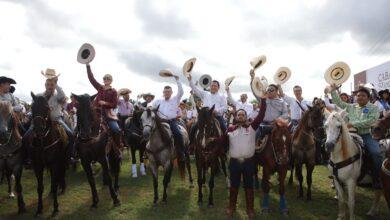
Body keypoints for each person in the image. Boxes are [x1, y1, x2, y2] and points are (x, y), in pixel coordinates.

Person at [212, 95, 267, 219]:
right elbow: (222, 140)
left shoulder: (252, 127)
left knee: (249, 187)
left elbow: (262, 114)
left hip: (249, 163)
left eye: (243, 115)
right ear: (235, 118)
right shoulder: (230, 129)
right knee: (234, 186)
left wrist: (263, 99)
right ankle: (231, 207)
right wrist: (213, 140)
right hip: (234, 163)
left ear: (246, 117)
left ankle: (250, 209)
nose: (240, 116)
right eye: (238, 115)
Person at [329, 85, 383, 188]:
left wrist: (353, 124)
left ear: (368, 97)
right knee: (335, 148)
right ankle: (335, 175)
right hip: (350, 134)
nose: (360, 97)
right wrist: (333, 90)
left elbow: (371, 121)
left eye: (363, 95)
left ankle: (377, 178)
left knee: (376, 152)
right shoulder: (352, 106)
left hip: (366, 135)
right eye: (358, 95)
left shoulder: (373, 108)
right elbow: (338, 102)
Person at [23, 73, 74, 164]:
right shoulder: (38, 95)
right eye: (48, 84)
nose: (50, 86)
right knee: (26, 137)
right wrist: (29, 115)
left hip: (56, 119)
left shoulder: (57, 95)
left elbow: (62, 95)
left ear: (54, 85)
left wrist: (56, 83)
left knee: (70, 134)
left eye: (52, 85)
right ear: (45, 85)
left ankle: (68, 157)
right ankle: (29, 158)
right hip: (40, 120)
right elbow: (33, 109)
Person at [86, 64, 121, 149]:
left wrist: (105, 103)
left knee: (116, 129)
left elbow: (115, 104)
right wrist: (88, 66)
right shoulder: (100, 87)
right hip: (97, 113)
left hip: (108, 115)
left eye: (108, 78)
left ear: (111, 81)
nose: (105, 79)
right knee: (83, 125)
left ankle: (118, 146)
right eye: (104, 78)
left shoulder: (114, 91)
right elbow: (91, 79)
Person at [152, 75, 185, 161]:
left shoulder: (175, 99)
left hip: (171, 122)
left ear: (171, 92)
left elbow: (181, 92)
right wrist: (148, 107)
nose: (166, 93)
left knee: (178, 133)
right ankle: (147, 152)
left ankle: (181, 153)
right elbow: (151, 105)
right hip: (160, 122)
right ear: (163, 92)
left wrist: (177, 80)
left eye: (168, 92)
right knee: (148, 132)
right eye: (165, 92)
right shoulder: (158, 100)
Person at [250, 69, 289, 141]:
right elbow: (254, 90)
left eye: (271, 90)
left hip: (276, 125)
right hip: (262, 124)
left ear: (276, 91)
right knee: (253, 138)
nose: (269, 91)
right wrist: (252, 78)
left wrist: (277, 120)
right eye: (268, 90)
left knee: (287, 138)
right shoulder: (262, 98)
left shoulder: (282, 102)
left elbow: (286, 113)